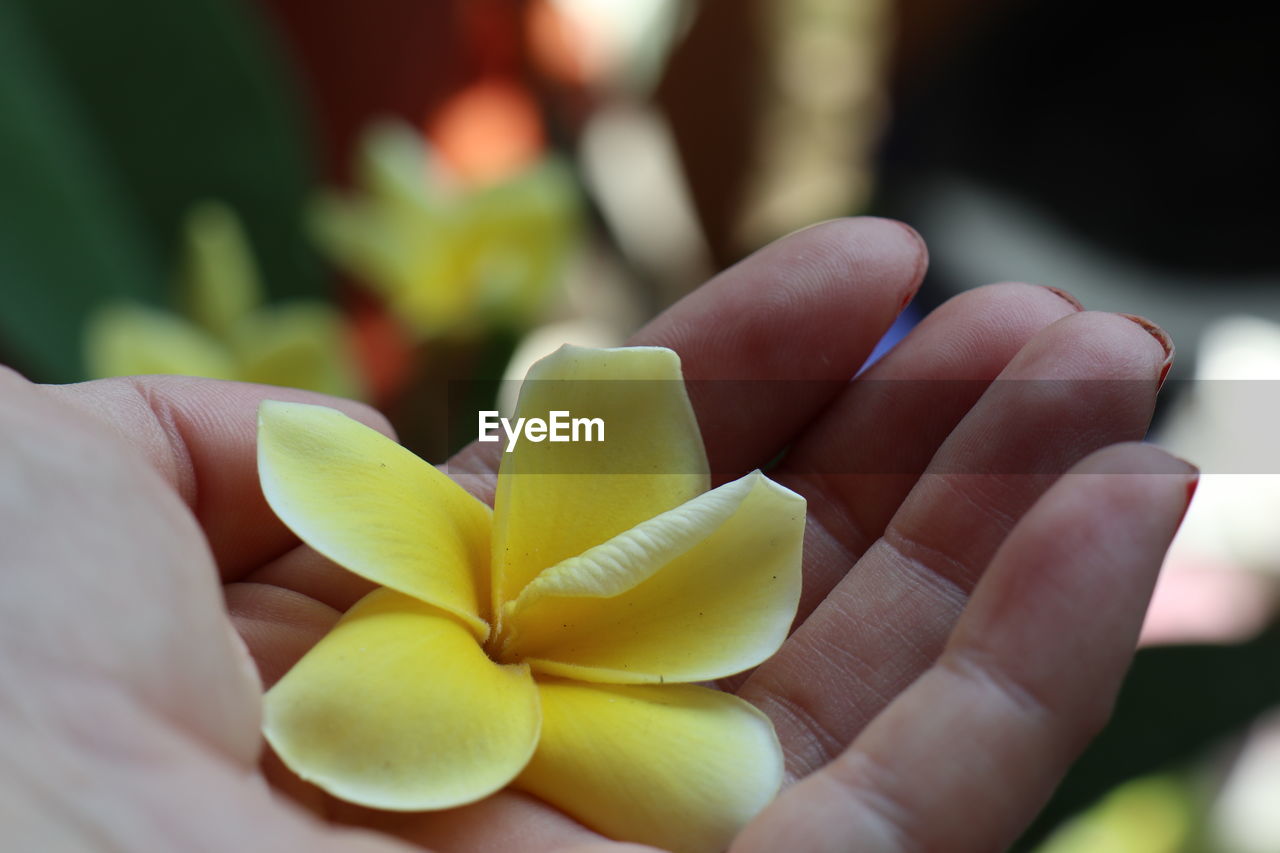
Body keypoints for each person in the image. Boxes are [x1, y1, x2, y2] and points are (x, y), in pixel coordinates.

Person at [0, 218, 1192, 852]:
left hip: (559, 670)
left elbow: (720, 777)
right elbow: (338, 456)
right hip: (457, 636)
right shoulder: (400, 499)